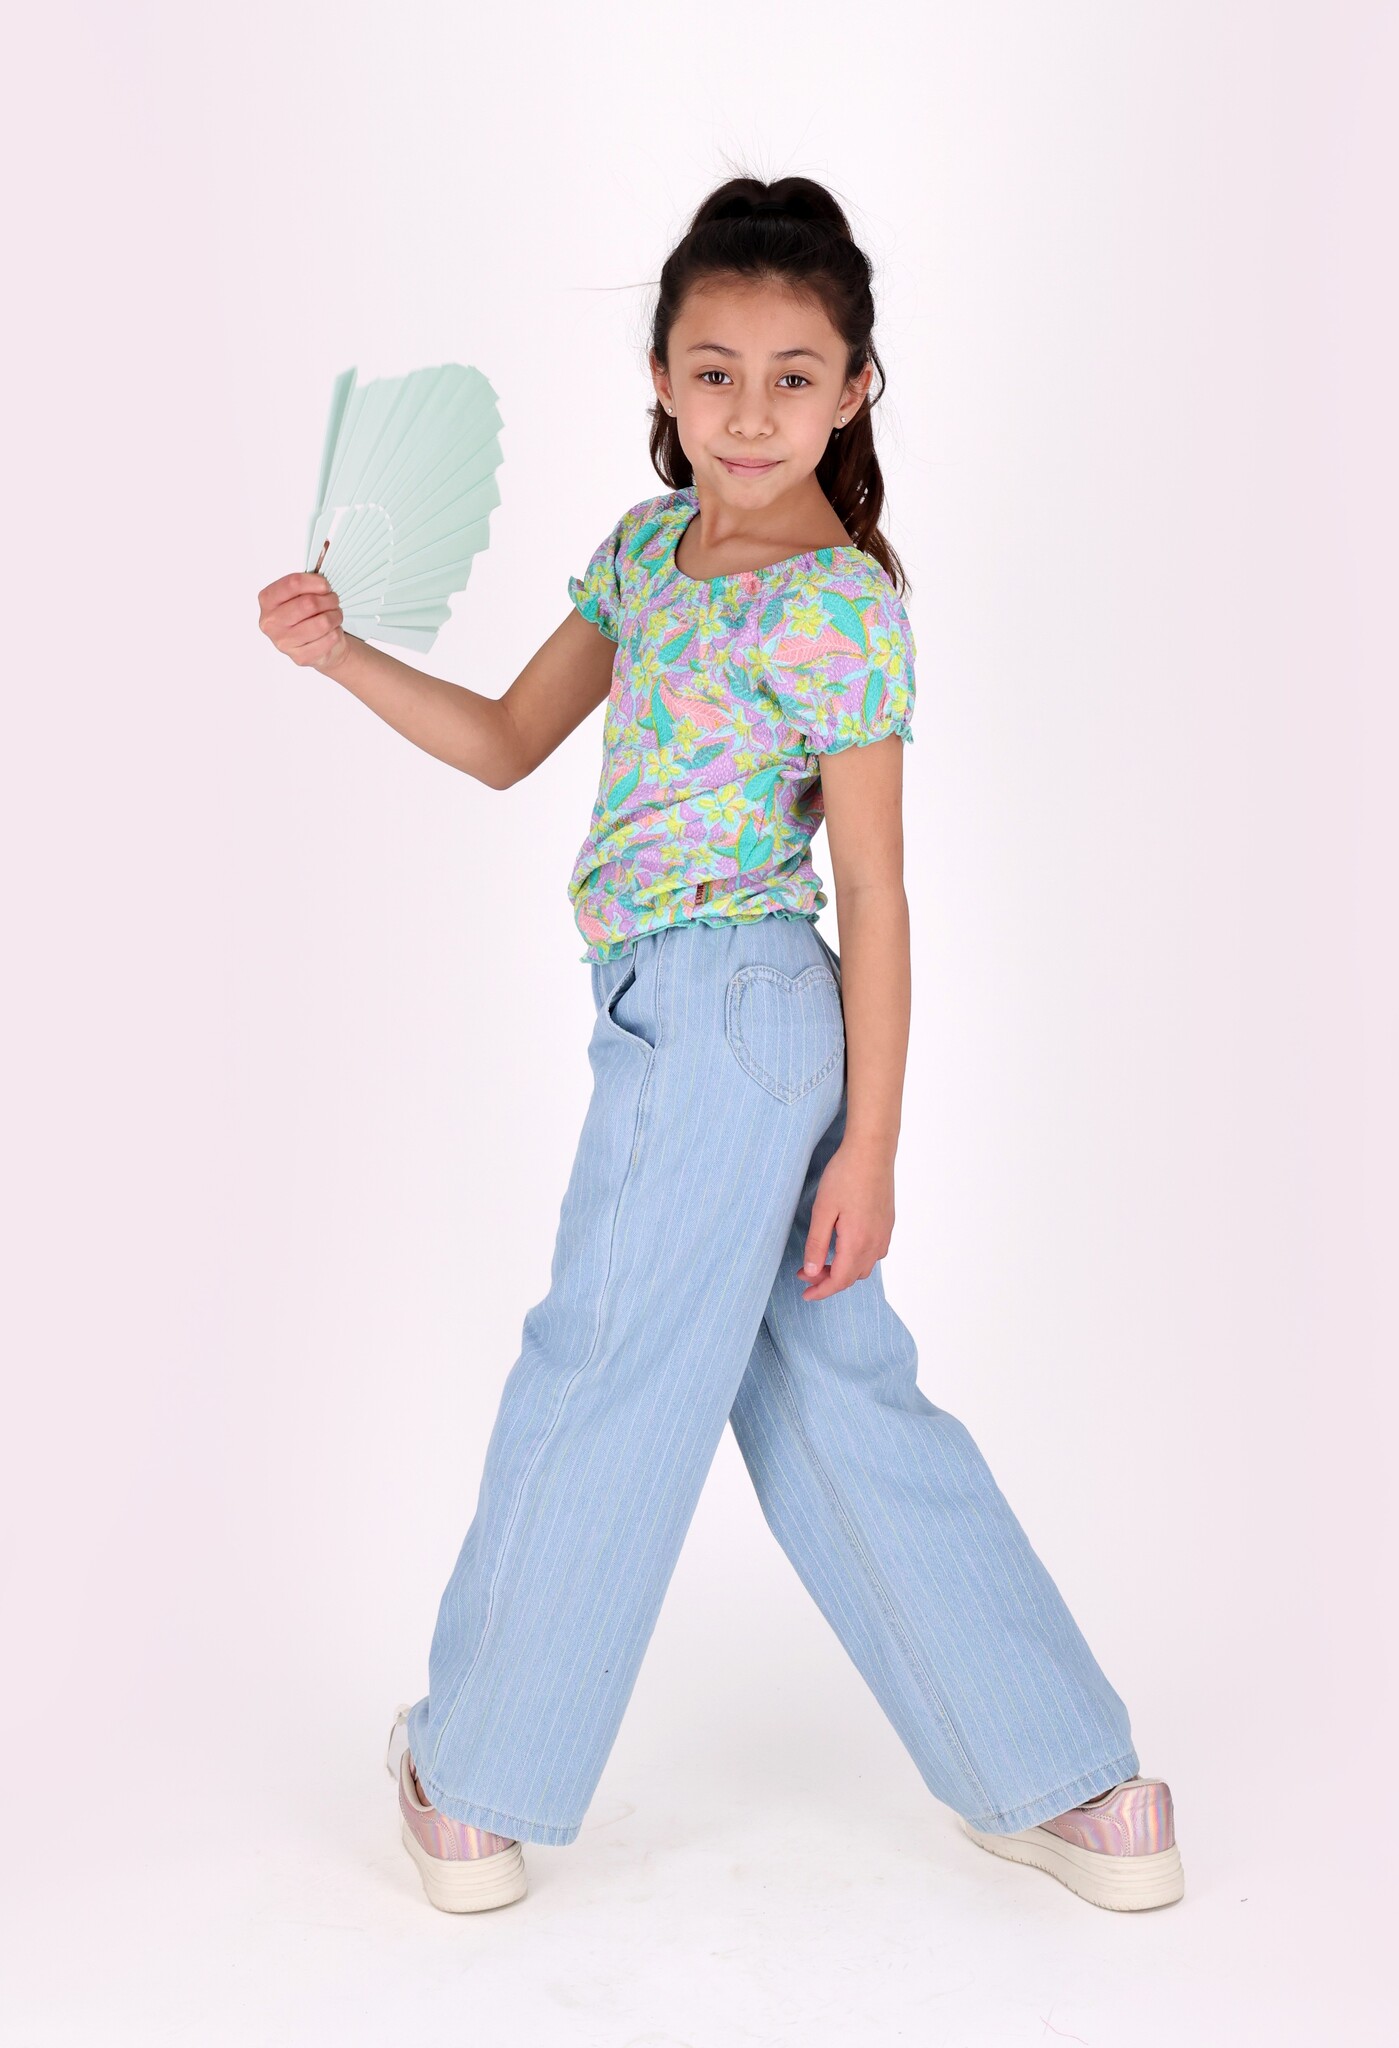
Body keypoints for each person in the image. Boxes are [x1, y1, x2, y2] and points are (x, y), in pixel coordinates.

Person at [258, 173, 1183, 1918]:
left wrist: (874, 1147)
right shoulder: (644, 552)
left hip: (726, 1011)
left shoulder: (842, 604)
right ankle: (1073, 1780)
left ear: (853, 391)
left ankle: (476, 1782)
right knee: (831, 1392)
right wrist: (343, 658)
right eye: (714, 371)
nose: (750, 412)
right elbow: (508, 740)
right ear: (664, 383)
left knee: (602, 1364)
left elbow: (877, 891)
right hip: (713, 1019)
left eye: (792, 375)